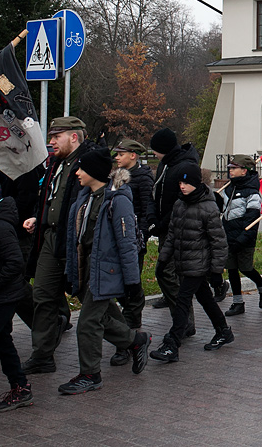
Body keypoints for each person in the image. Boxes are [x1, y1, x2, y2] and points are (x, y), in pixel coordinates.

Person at [58, 149, 151, 394]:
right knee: (103, 317)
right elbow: (74, 238)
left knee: (87, 323)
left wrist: (132, 282)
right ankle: (135, 341)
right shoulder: (84, 197)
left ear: (94, 172)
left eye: (81, 169)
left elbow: (127, 242)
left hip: (106, 270)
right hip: (86, 267)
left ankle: (90, 375)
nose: (77, 173)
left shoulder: (117, 199)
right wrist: (71, 272)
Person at [20, 117, 96, 374]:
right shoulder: (55, 164)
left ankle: (129, 341)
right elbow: (49, 198)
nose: (51, 142)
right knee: (42, 296)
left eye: (56, 136)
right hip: (49, 238)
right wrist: (37, 218)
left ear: (74, 137)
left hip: (75, 242)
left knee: (89, 298)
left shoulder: (90, 162)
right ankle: (42, 355)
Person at [150, 164, 232, 363]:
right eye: (180, 182)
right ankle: (223, 330)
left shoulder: (209, 207)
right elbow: (172, 235)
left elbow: (219, 242)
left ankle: (172, 343)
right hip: (183, 262)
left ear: (197, 183)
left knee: (182, 301)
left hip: (198, 265)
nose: (182, 186)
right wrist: (163, 260)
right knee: (205, 298)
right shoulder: (179, 204)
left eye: (186, 182)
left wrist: (216, 271)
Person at [0, 196, 33, 418]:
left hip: (2, 297)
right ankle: (20, 387)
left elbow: (15, 263)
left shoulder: (0, 227)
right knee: (1, 340)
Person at [110, 139, 155, 366]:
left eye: (121, 154)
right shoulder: (117, 176)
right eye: (116, 154)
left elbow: (147, 207)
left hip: (134, 239)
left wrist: (143, 234)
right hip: (117, 239)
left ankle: (129, 339)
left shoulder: (143, 177)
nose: (117, 157)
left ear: (133, 155)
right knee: (120, 289)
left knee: (131, 286)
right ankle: (128, 330)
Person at [149, 128, 198, 334]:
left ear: (164, 149)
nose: (153, 155)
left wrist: (164, 221)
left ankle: (184, 319)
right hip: (164, 228)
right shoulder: (165, 165)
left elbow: (182, 199)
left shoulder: (184, 166)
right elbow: (157, 193)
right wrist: (153, 218)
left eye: (155, 150)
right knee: (170, 274)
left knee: (167, 272)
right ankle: (181, 319)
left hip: (179, 228)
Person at [218, 155, 262, 316]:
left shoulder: (252, 193)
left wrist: (242, 239)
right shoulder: (230, 187)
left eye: (234, 168)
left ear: (244, 171)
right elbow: (224, 210)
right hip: (229, 236)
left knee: (246, 268)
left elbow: (253, 220)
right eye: (230, 168)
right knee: (232, 269)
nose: (230, 171)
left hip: (244, 238)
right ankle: (237, 302)